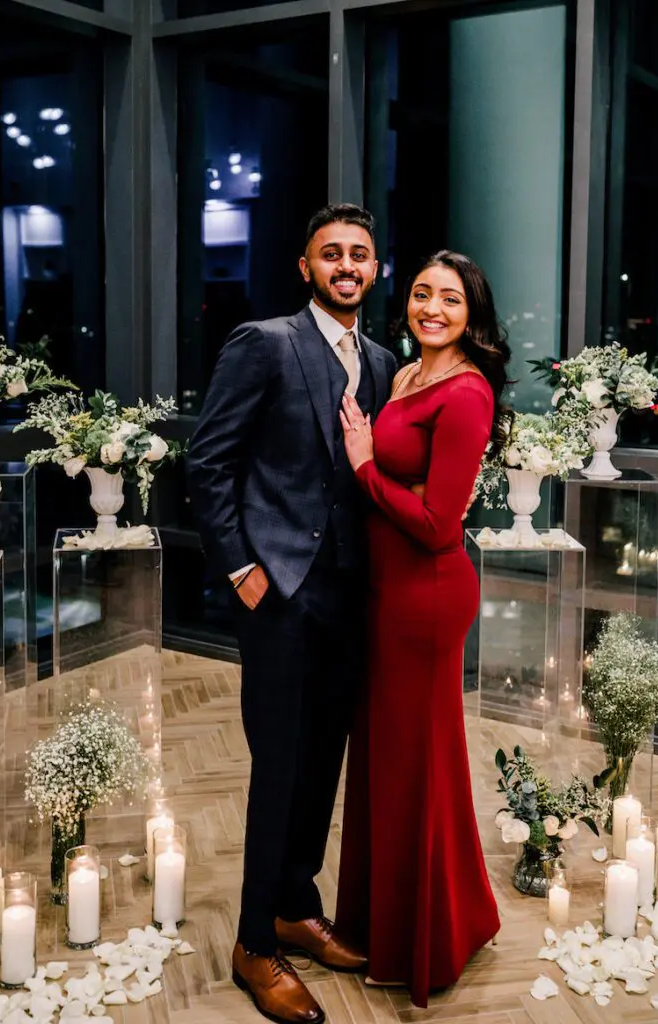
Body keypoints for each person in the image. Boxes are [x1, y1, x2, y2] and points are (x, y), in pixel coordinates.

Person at [186, 204, 397, 1024]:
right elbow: (209, 459)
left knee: (323, 764)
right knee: (278, 767)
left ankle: (293, 906)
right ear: (304, 268)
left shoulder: (379, 360)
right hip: (277, 592)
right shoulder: (264, 342)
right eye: (331, 254)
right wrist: (242, 568)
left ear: (374, 270)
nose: (346, 265)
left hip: (352, 594)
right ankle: (251, 943)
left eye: (360, 254)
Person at [335, 251, 508, 1007]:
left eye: (449, 299)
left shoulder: (466, 393)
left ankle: (430, 937)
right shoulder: (407, 376)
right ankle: (384, 922)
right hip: (385, 588)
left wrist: (367, 468)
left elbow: (440, 527)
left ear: (472, 313)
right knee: (387, 759)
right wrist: (384, 476)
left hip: (425, 594)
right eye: (419, 294)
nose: (430, 308)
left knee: (418, 763)